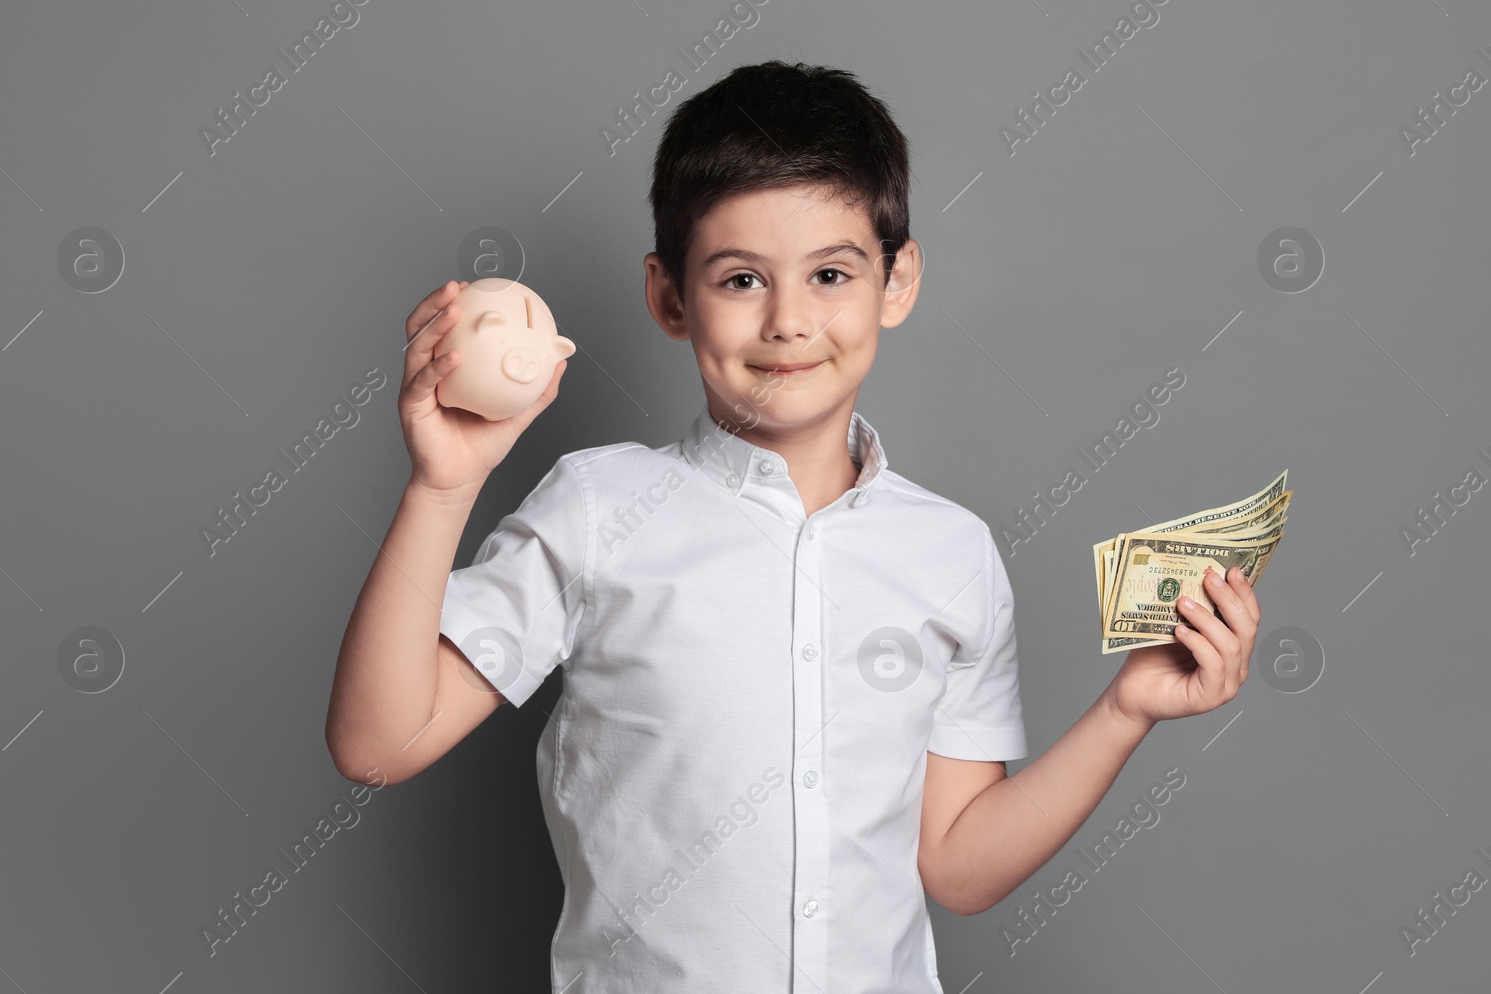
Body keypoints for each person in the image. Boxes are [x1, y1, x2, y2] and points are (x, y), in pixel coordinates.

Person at [324, 60, 1262, 993]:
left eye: (830, 273)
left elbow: (958, 868)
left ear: (896, 282)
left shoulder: (953, 554)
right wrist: (442, 489)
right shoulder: (598, 509)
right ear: (668, 297)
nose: (789, 321)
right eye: (740, 278)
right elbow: (377, 743)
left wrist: (1127, 707)